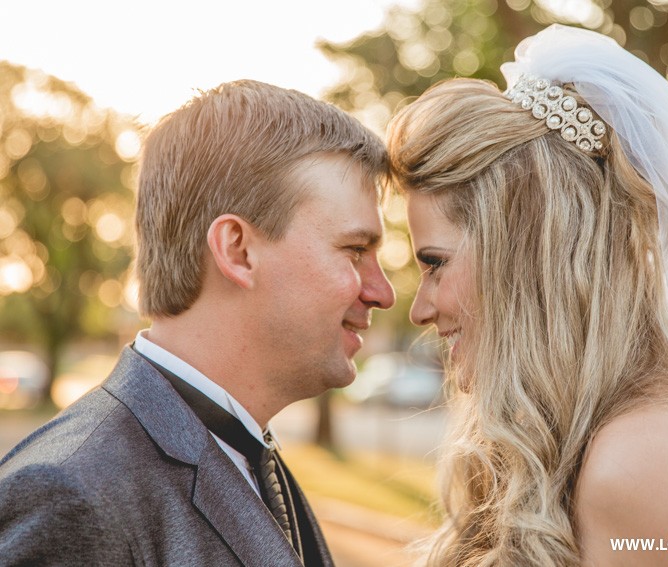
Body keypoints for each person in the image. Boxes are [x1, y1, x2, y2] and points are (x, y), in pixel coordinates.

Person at [387, 25, 668, 567]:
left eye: (435, 265)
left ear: (525, 258)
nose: (419, 308)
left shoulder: (644, 459)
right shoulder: (560, 446)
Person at [0, 80, 395, 565]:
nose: (383, 292)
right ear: (237, 250)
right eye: (355, 251)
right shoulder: (71, 494)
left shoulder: (248, 453)